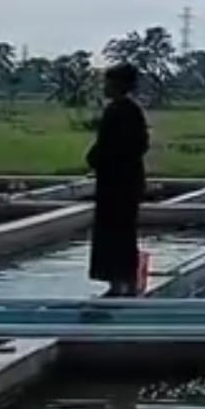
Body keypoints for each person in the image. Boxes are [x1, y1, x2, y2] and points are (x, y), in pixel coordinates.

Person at [86, 63, 149, 297]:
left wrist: (97, 159)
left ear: (121, 85)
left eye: (109, 83)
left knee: (114, 233)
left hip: (116, 184)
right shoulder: (130, 110)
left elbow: (110, 147)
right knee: (123, 232)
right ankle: (125, 281)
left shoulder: (119, 111)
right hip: (125, 181)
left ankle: (119, 282)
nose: (105, 87)